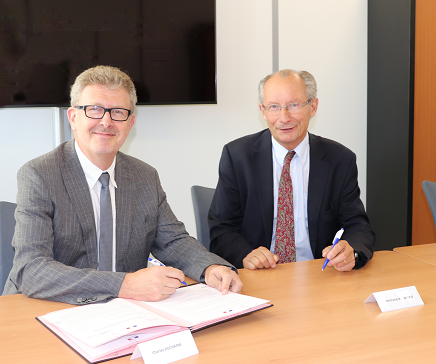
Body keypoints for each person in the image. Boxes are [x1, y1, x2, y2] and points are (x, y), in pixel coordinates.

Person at [3, 65, 242, 304]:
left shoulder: (145, 176)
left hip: (124, 313)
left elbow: (173, 241)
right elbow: (31, 269)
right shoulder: (39, 175)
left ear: (130, 122)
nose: (106, 121)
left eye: (117, 112)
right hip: (46, 307)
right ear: (73, 117)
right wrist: (123, 284)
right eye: (94, 110)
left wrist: (210, 267)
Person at [208, 69, 375, 271]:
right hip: (261, 275)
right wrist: (246, 256)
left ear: (313, 107)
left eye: (294, 105)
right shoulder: (237, 157)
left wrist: (352, 252)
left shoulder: (339, 159)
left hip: (320, 274)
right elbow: (221, 229)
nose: (284, 117)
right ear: (263, 111)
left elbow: (358, 226)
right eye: (274, 107)